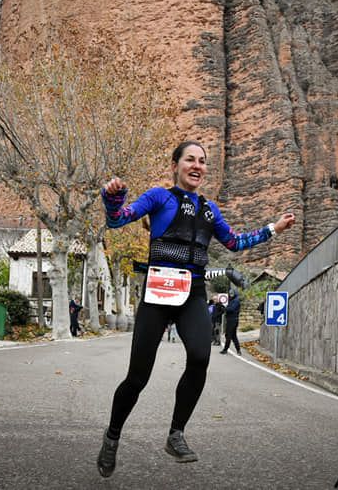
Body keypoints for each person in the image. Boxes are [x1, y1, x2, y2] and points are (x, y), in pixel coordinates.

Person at [96, 141, 295, 477]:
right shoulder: (159, 197)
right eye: (190, 159)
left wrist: (273, 228)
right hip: (158, 292)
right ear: (175, 164)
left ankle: (176, 434)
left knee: (201, 357)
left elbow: (234, 242)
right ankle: (112, 436)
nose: (197, 165)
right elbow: (118, 220)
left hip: (193, 293)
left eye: (202, 161)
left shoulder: (209, 209)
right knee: (138, 377)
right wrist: (113, 197)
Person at [220, 288, 242, 355]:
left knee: (228, 335)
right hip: (231, 319)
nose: (231, 295)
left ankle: (225, 349)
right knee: (233, 336)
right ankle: (238, 350)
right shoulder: (232, 300)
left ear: (235, 293)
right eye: (230, 293)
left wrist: (225, 308)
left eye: (232, 293)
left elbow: (231, 309)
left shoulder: (236, 300)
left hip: (233, 320)